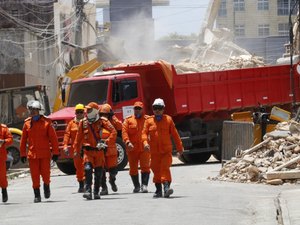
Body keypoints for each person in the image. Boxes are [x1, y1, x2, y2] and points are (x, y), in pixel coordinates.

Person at [73, 102, 117, 200]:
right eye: (86, 109)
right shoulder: (83, 123)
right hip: (88, 151)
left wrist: (106, 142)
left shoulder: (102, 121)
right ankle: (88, 191)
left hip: (99, 152)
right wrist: (76, 150)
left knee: (98, 173)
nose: (86, 111)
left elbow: (113, 131)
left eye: (89, 110)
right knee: (87, 169)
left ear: (95, 111)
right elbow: (78, 138)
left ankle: (96, 192)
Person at [142, 98, 183, 198]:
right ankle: (158, 190)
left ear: (163, 109)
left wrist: (180, 148)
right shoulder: (148, 121)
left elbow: (175, 134)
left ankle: (166, 188)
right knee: (155, 170)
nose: (157, 110)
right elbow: (144, 134)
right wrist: (145, 143)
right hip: (154, 152)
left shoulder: (168, 120)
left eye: (159, 108)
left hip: (166, 151)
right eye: (155, 108)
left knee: (165, 168)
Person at [19, 100, 60, 203]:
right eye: (31, 110)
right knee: (35, 175)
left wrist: (55, 152)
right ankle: (37, 195)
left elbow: (53, 139)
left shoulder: (47, 123)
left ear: (39, 111)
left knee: (46, 174)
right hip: (32, 155)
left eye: (35, 110)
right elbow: (23, 140)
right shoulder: (27, 123)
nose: (32, 112)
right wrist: (22, 153)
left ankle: (46, 187)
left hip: (45, 154)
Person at [122, 101, 151, 193]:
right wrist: (127, 142)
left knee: (145, 167)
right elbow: (124, 132)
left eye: (139, 109)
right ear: (133, 109)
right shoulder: (128, 120)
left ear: (142, 110)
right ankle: (136, 186)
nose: (137, 110)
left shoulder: (148, 120)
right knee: (133, 168)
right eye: (136, 109)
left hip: (144, 148)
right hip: (132, 149)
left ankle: (144, 185)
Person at [98, 103, 121, 195]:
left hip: (111, 149)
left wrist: (113, 118)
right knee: (101, 170)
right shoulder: (98, 122)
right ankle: (104, 188)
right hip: (100, 149)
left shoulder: (113, 121)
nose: (104, 116)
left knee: (113, 170)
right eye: (102, 114)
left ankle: (112, 180)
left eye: (106, 114)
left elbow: (120, 127)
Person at [63, 103, 85, 193]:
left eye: (81, 111)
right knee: (79, 167)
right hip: (76, 149)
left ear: (84, 112)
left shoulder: (87, 123)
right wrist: (65, 146)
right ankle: (81, 185)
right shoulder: (71, 124)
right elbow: (67, 135)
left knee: (87, 166)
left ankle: (88, 184)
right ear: (75, 113)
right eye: (77, 112)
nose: (79, 113)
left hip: (87, 148)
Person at [0, 123, 13, 203]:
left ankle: (4, 190)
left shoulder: (3, 128)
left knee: (2, 176)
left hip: (0, 157)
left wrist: (4, 141)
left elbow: (10, 139)